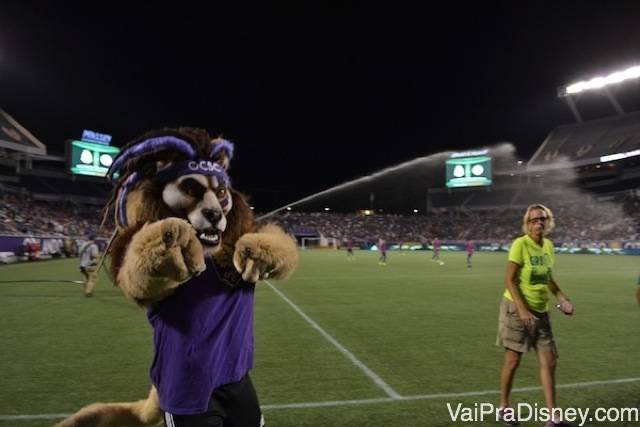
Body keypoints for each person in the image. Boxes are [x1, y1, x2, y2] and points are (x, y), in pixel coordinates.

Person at [496, 204, 574, 427]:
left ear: (548, 221)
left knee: (549, 362)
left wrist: (562, 298)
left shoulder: (548, 246)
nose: (538, 223)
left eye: (542, 219)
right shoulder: (520, 244)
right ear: (526, 223)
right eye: (533, 220)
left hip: (541, 311)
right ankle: (504, 407)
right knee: (513, 360)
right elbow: (509, 280)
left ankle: (553, 418)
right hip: (516, 309)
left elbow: (548, 278)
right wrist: (522, 309)